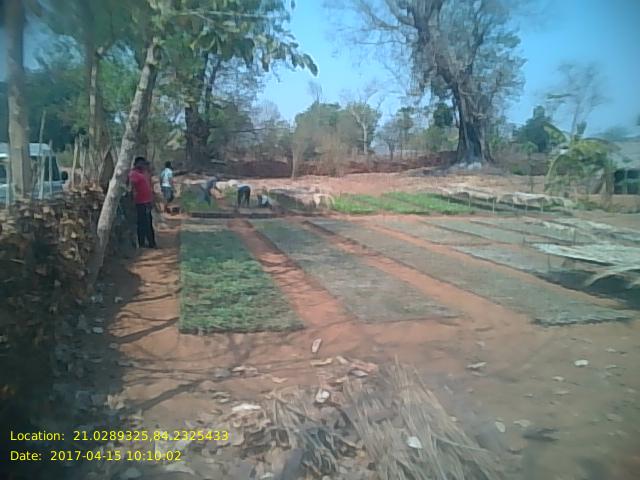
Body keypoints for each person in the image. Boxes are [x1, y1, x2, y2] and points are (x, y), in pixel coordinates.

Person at [128, 156, 157, 249]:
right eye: (143, 164)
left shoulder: (143, 174)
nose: (145, 166)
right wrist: (133, 198)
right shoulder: (134, 174)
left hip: (146, 202)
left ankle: (150, 242)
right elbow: (131, 187)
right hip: (140, 203)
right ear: (138, 164)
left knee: (148, 222)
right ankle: (144, 243)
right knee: (144, 223)